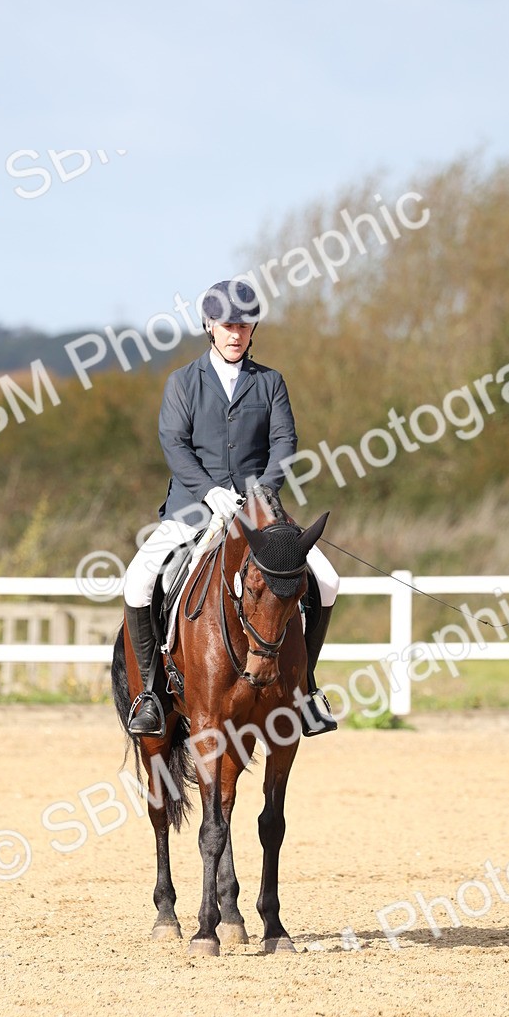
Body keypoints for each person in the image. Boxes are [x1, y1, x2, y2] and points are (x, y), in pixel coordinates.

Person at [122, 279, 340, 736]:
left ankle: (306, 688)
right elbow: (174, 444)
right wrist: (209, 492)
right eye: (227, 325)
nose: (235, 333)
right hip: (193, 509)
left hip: (259, 513)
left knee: (327, 579)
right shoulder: (183, 382)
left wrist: (261, 491)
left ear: (253, 328)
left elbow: (284, 441)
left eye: (243, 325)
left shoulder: (270, 382)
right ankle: (150, 697)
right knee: (139, 581)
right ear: (209, 326)